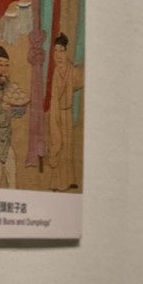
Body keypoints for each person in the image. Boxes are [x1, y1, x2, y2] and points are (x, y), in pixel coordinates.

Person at [46, 32, 83, 190]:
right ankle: (57, 183)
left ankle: (69, 180)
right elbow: (54, 98)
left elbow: (79, 80)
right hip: (58, 112)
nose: (58, 55)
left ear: (66, 52)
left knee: (68, 146)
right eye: (56, 51)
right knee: (58, 143)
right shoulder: (56, 73)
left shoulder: (70, 69)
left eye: (61, 50)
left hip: (67, 112)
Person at [0, 45, 17, 189]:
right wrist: (2, 109)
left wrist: (19, 107)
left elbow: (16, 113)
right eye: (1, 65)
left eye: (6, 65)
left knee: (13, 184)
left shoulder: (9, 86)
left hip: (7, 142)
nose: (4, 69)